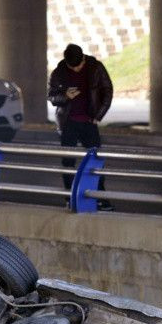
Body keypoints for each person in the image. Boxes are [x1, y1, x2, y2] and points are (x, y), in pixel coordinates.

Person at [48, 44, 114, 206]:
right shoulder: (59, 72)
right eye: (73, 67)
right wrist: (65, 96)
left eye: (79, 65)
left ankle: (99, 197)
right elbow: (51, 97)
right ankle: (69, 197)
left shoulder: (96, 68)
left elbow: (108, 90)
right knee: (68, 162)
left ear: (84, 58)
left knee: (95, 160)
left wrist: (98, 116)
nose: (77, 69)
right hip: (68, 122)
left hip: (89, 121)